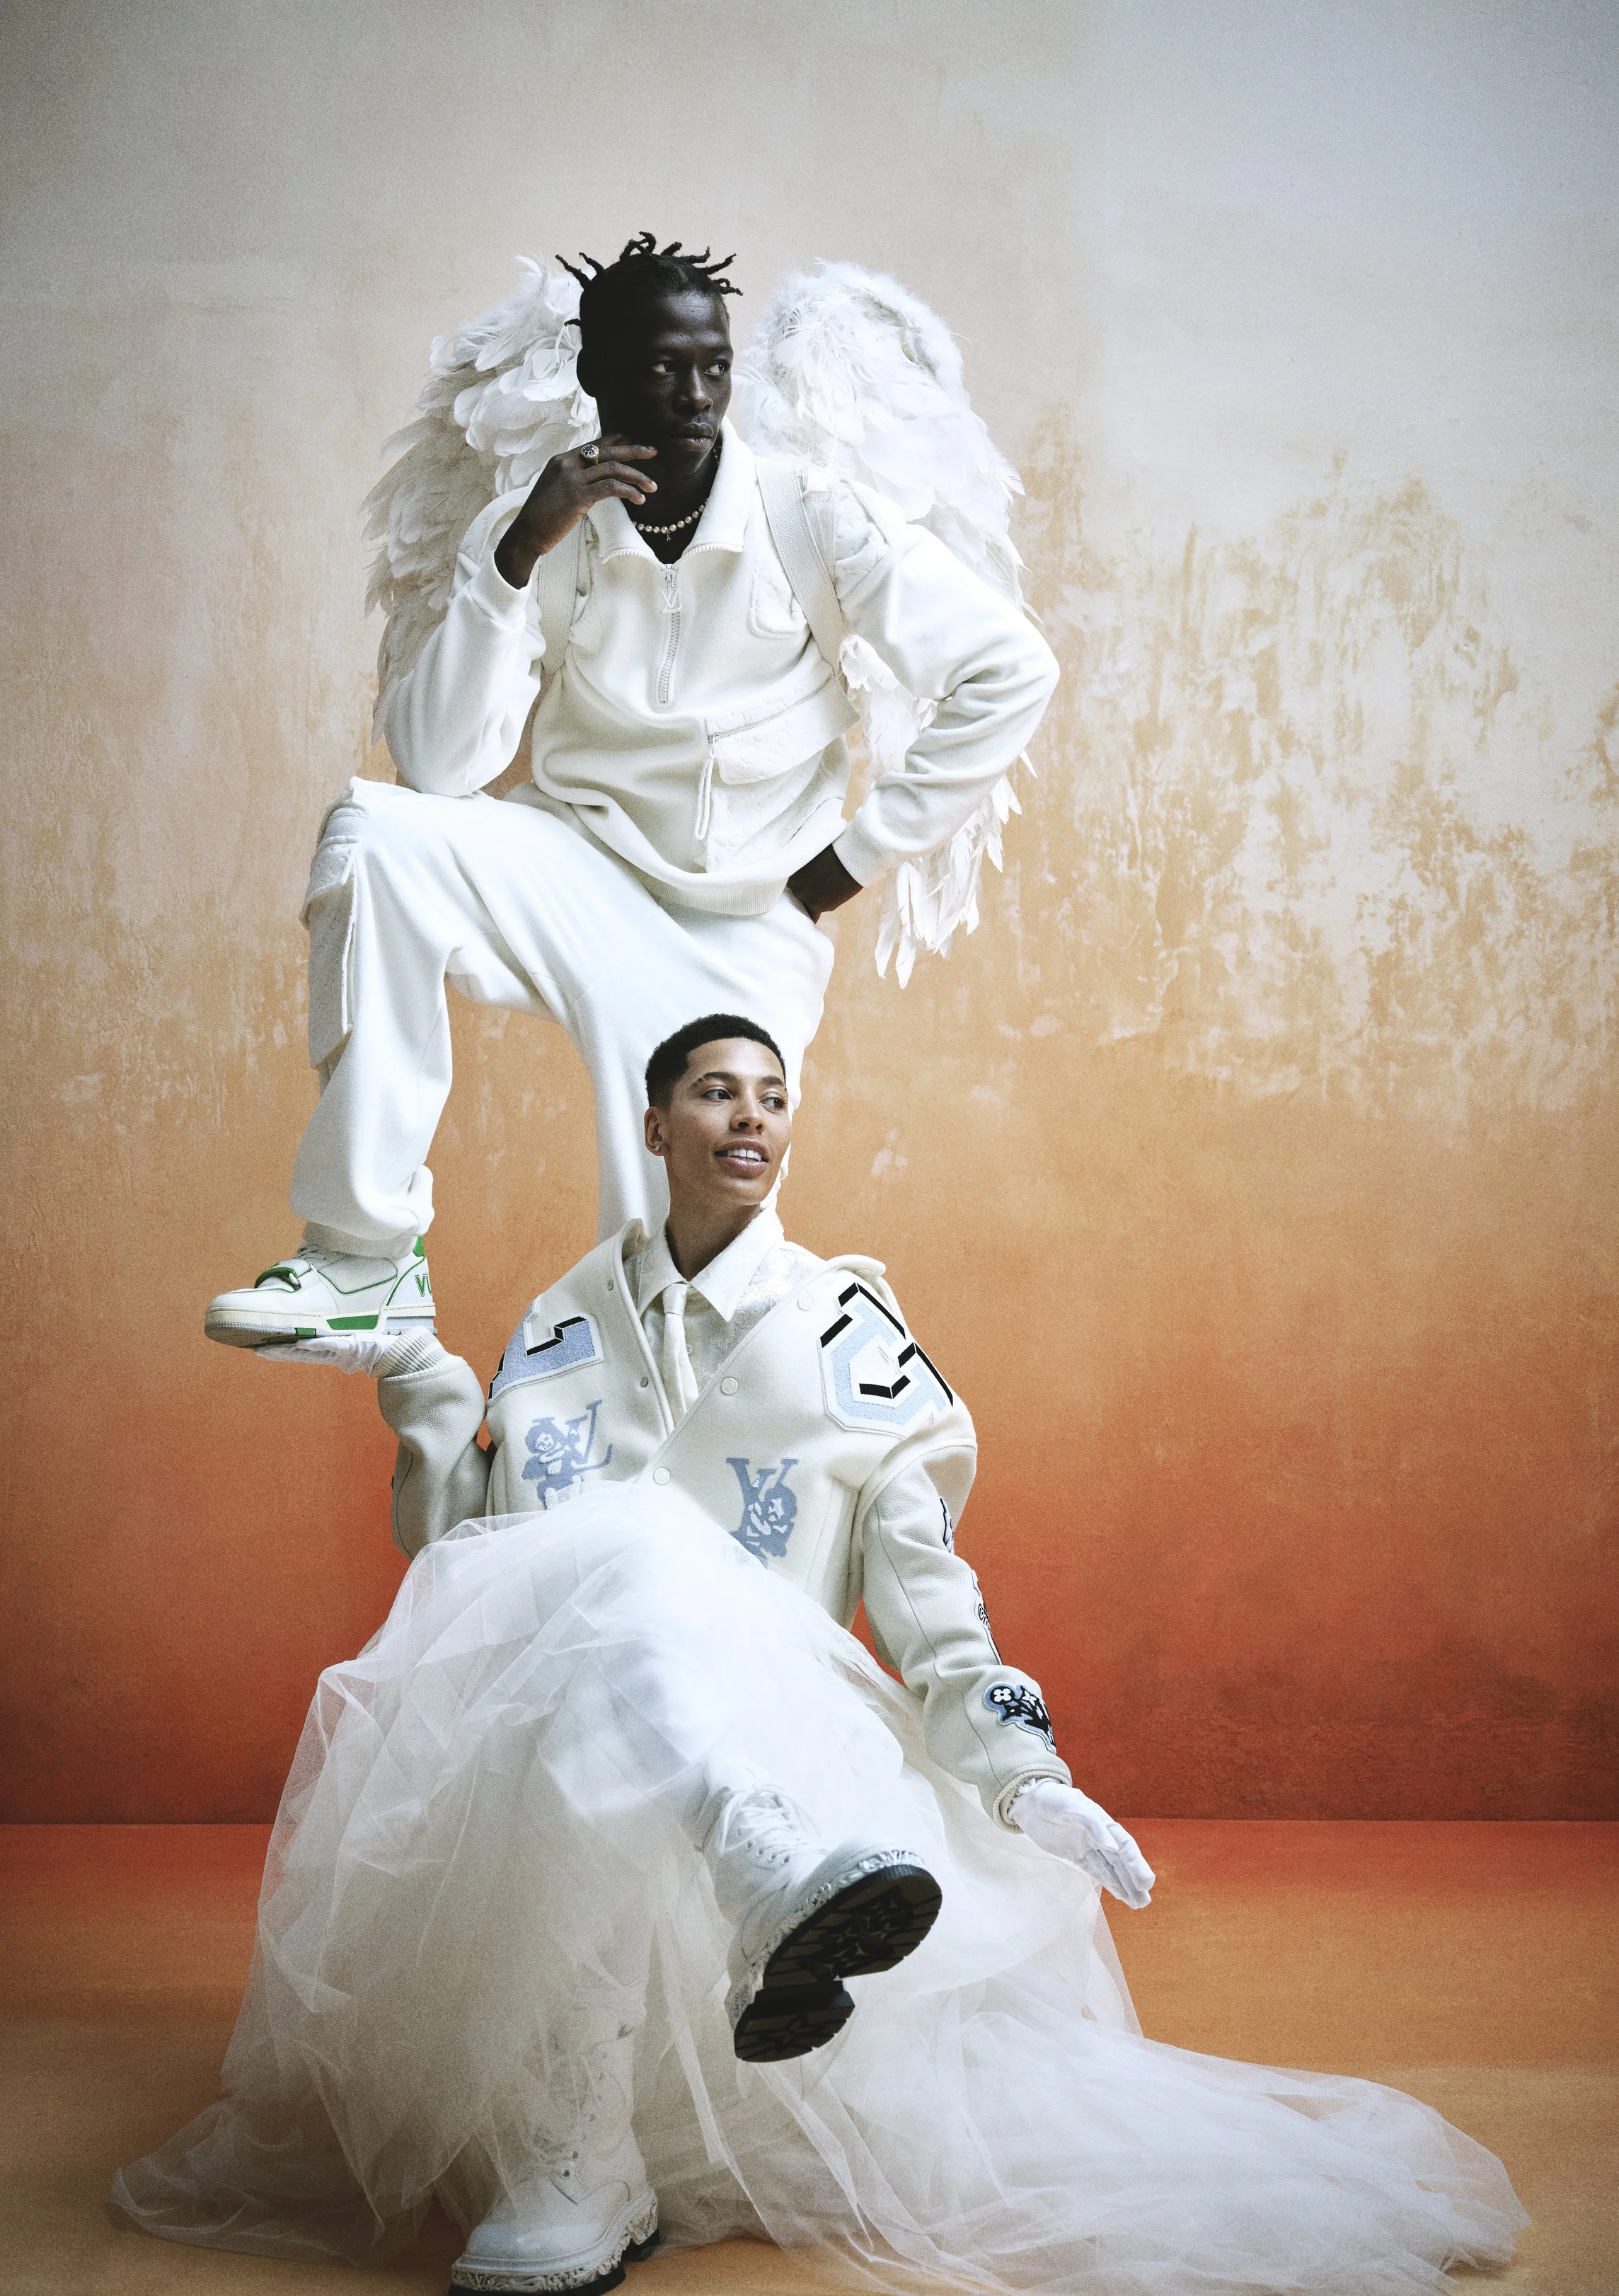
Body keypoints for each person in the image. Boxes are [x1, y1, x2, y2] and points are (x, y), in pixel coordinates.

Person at [119, 1020, 1524, 2296]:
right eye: (716, 1091)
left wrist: (1019, 1767)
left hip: (798, 1749)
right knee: (616, 1561)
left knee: (636, 1561)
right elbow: (473, 1577)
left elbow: (923, 1590)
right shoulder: (558, 1323)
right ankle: (628, 2075)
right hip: (558, 1790)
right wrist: (425, 1389)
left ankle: (639, 2074)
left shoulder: (850, 1336)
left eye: (774, 1097)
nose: (751, 1116)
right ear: (654, 1121)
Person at [202, 236, 1059, 1348]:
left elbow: (1011, 670)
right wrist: (513, 556)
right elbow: (440, 765)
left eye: (713, 366)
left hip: (746, 924)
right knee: (378, 833)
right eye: (660, 369)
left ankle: (669, 1486)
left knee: (671, 1273)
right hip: (575, 872)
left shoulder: (815, 517)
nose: (695, 396)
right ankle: (364, 1261)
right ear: (597, 379)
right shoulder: (538, 526)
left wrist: (853, 859)